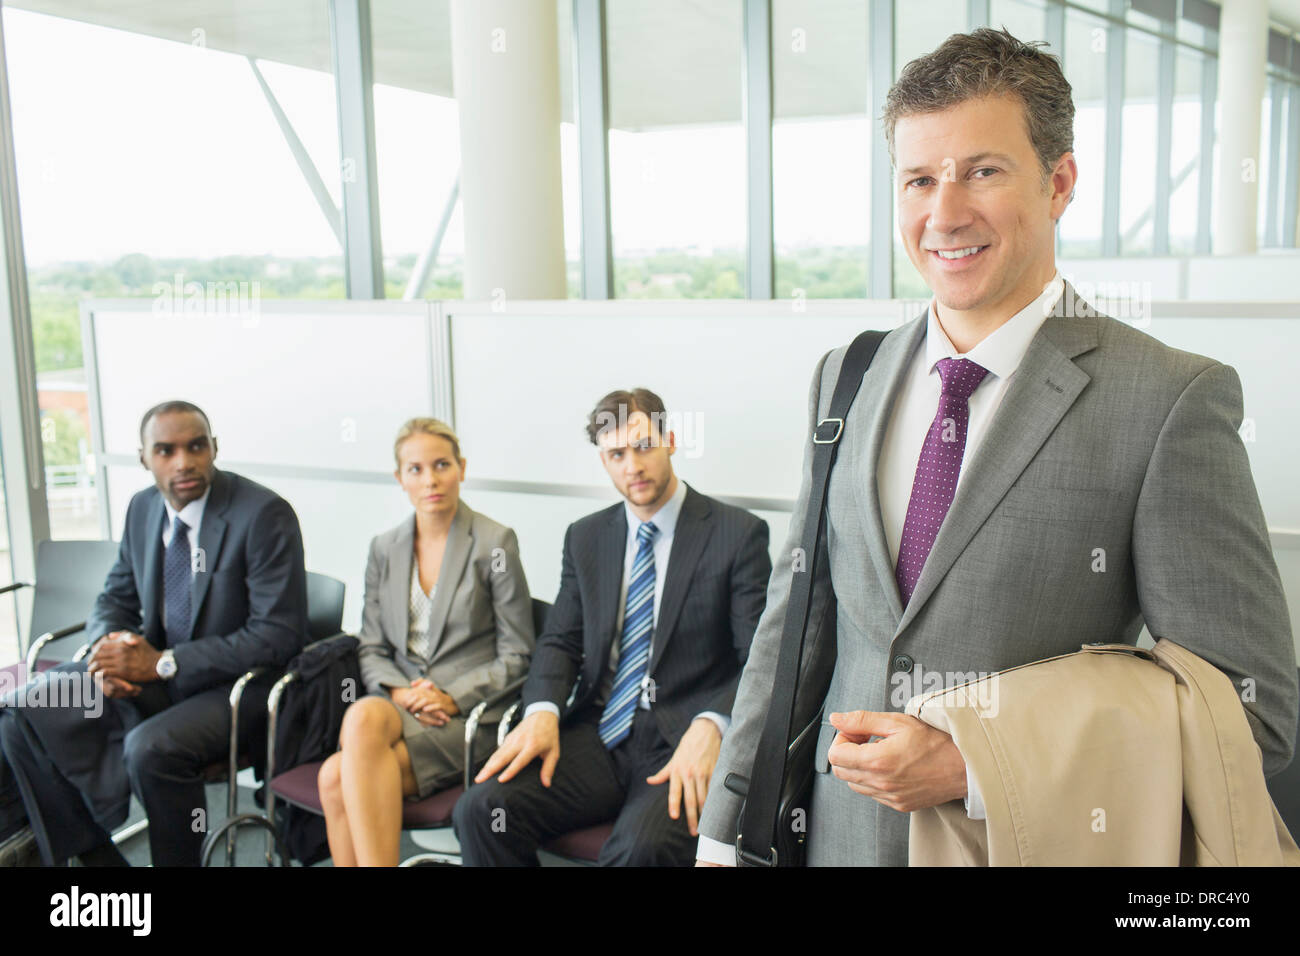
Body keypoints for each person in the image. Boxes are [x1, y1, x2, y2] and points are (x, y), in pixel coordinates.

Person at [697, 28, 1298, 866]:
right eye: (918, 179)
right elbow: (790, 631)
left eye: (982, 171)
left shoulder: (1167, 399)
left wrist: (978, 760)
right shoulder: (847, 376)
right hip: (833, 844)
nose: (945, 213)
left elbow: (1250, 709)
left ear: (1059, 183)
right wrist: (725, 836)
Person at [452, 388, 772, 866]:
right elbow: (560, 640)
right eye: (616, 454)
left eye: (643, 446)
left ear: (670, 440)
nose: (632, 466)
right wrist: (541, 710)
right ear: (603, 461)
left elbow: (759, 660)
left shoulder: (736, 533)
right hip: (602, 731)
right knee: (481, 809)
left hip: (682, 739)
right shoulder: (586, 537)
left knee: (638, 850)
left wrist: (713, 726)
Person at [0, 400, 308, 866]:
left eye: (196, 446)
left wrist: (163, 663)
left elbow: (278, 634)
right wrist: (107, 652)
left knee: (150, 750)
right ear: (145, 458)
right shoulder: (143, 508)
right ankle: (98, 862)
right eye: (165, 450)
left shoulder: (263, 515)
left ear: (214, 448)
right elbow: (114, 598)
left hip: (238, 688)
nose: (183, 461)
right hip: (154, 677)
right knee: (23, 709)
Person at [317, 418, 533, 867]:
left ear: (462, 467)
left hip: (470, 714)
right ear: (400, 479)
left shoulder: (494, 542)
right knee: (358, 723)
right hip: (399, 705)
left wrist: (451, 697)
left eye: (441, 465)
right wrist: (400, 692)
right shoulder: (384, 548)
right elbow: (371, 647)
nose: (430, 479)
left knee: (336, 776)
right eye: (415, 469)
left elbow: (518, 654)